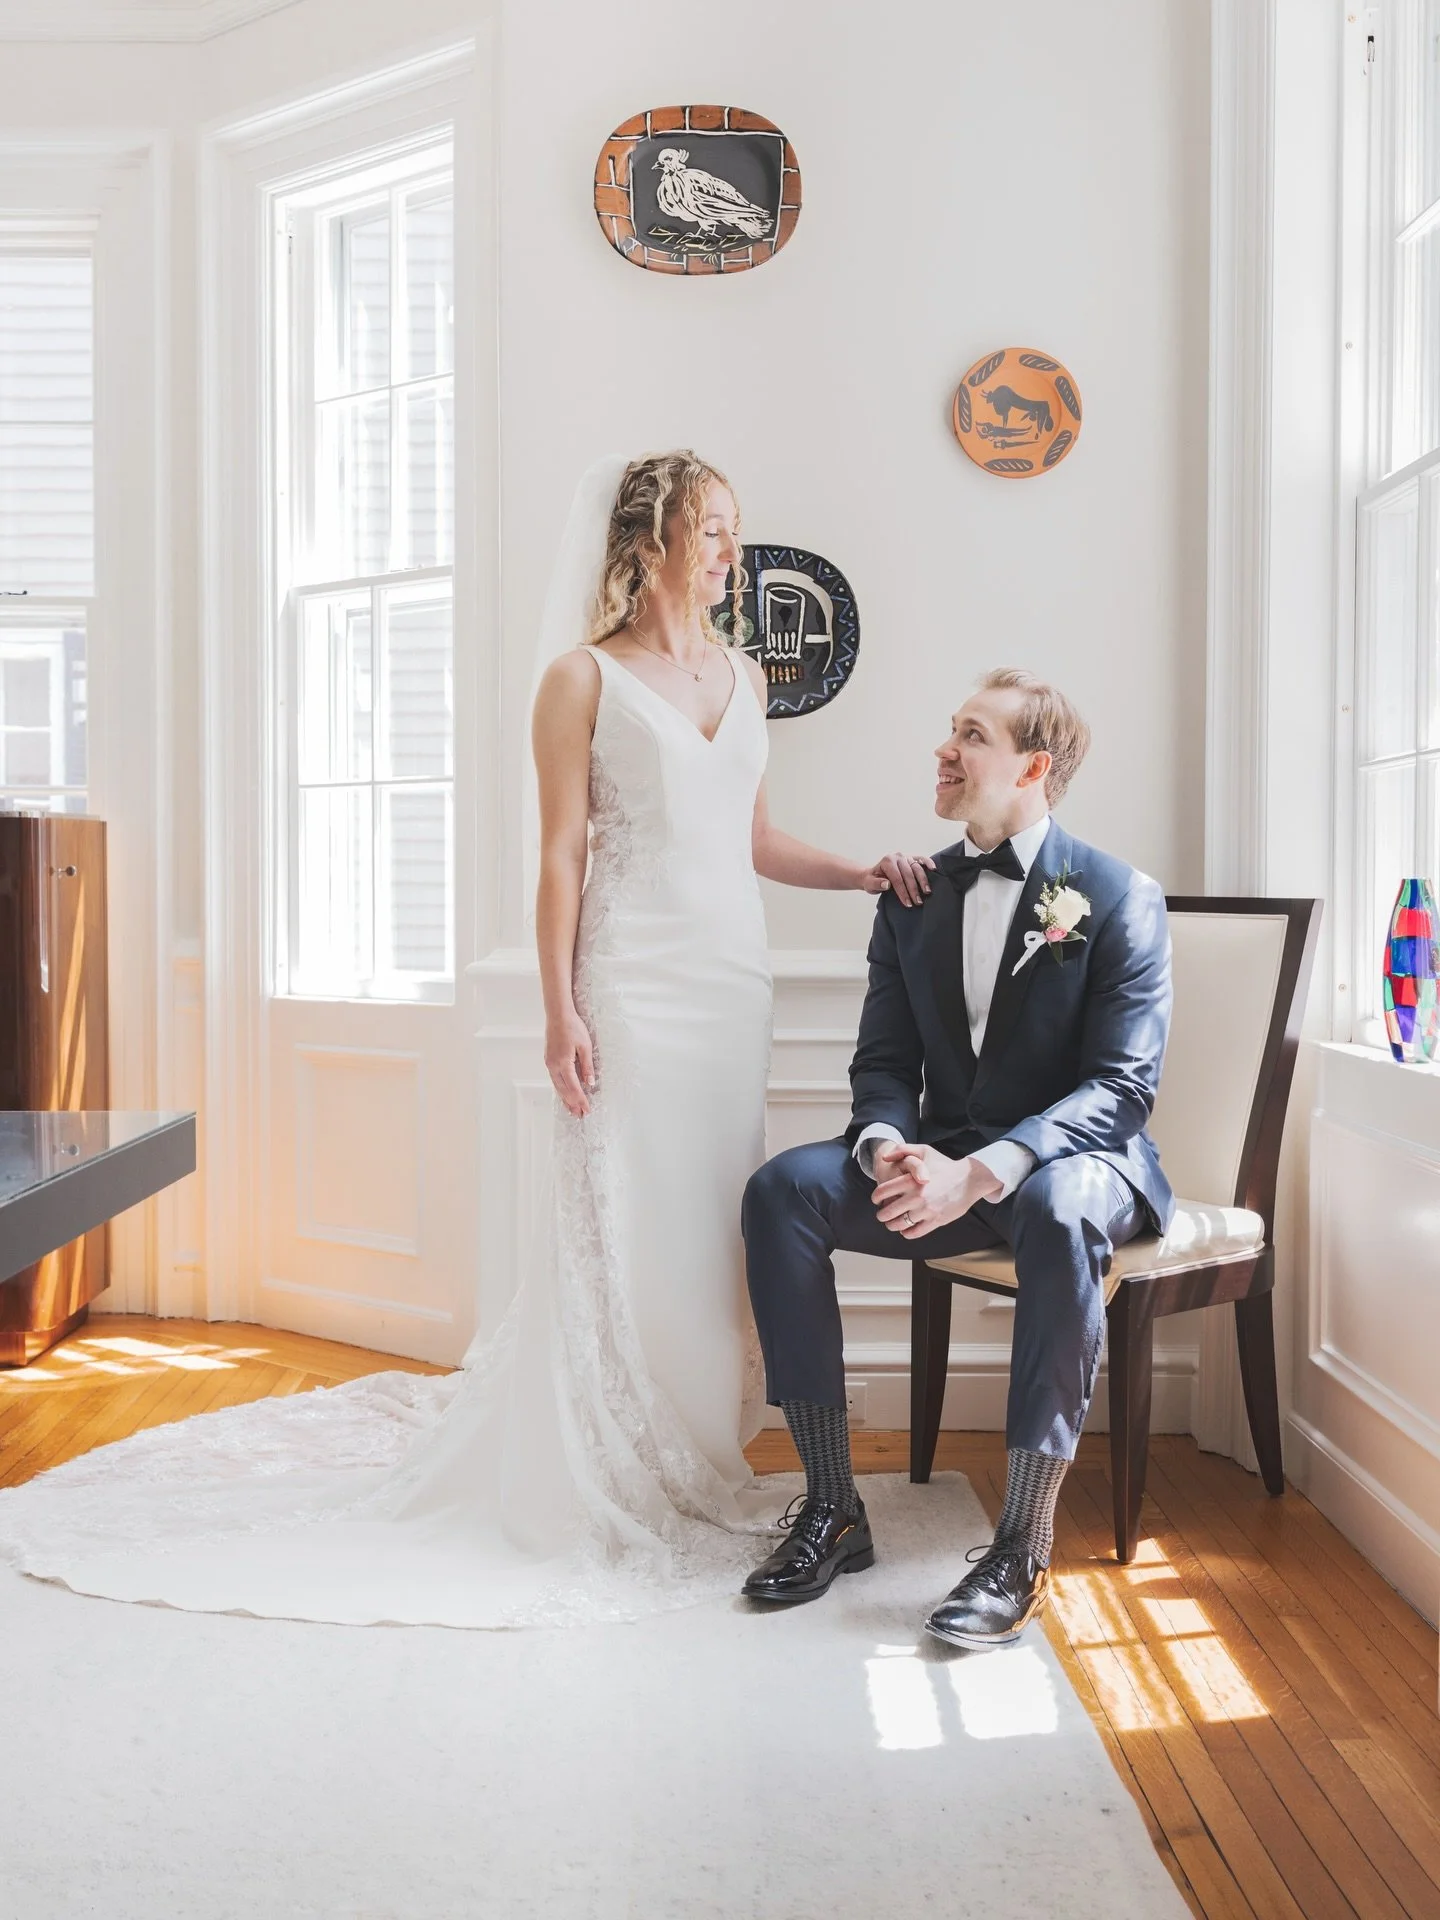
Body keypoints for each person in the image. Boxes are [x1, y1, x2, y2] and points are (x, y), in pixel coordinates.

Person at [0, 451, 933, 1631]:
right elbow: (559, 857)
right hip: (633, 984)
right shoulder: (578, 679)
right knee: (625, 1220)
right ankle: (608, 1460)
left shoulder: (745, 674)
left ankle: (700, 1447)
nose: (728, 557)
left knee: (706, 1228)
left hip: (730, 985)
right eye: (710, 535)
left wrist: (858, 871)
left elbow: (751, 835)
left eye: (733, 535)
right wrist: (560, 1010)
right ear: (649, 544)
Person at [739, 669, 1173, 1648]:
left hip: (1078, 1168)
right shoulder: (912, 897)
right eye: (949, 731)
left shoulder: (1116, 895)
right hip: (942, 1167)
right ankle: (832, 1507)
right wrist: (890, 1145)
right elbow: (884, 1064)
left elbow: (1120, 1089)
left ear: (1033, 766)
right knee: (783, 1191)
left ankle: (1020, 1544)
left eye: (969, 735)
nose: (943, 750)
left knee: (1060, 1207)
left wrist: (982, 1171)